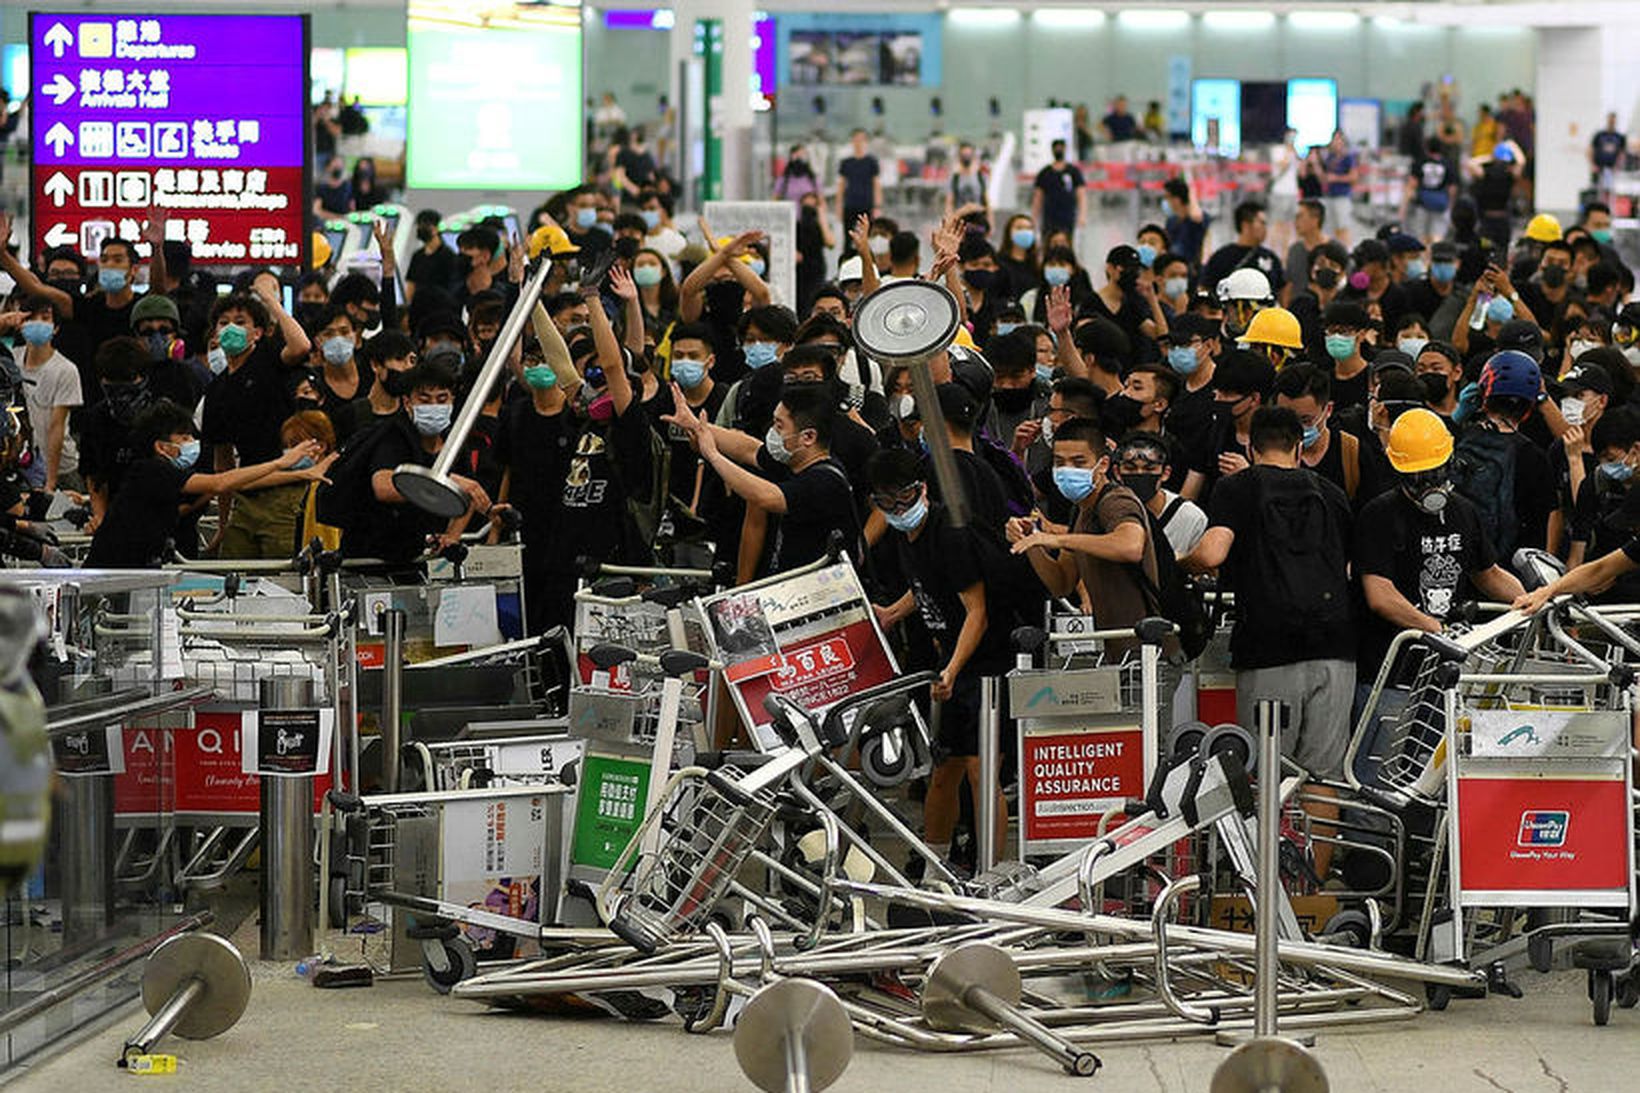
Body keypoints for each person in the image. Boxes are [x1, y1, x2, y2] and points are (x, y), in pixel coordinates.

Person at [1181, 406, 1354, 865]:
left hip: (1268, 650)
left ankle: (1270, 890)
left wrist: (1181, 563)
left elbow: (1213, 552)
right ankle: (1313, 894)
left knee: (1265, 773)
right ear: (1300, 447)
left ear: (1250, 447)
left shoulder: (1237, 488)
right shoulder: (1332, 493)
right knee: (1323, 777)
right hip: (1337, 649)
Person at [869, 448, 1027, 869]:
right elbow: (924, 586)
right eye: (885, 504)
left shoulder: (951, 534)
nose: (897, 511)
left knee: (981, 771)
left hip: (990, 664)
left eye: (903, 501)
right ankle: (935, 866)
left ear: (922, 490)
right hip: (953, 666)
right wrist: (891, 614)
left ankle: (988, 872)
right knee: (944, 771)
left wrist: (953, 670)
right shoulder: (908, 536)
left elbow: (977, 611)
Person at [1356, 407, 1524, 703]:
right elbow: (1380, 594)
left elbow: (1489, 574)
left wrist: (1530, 603)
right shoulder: (1379, 514)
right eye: (1418, 476)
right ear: (1399, 471)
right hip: (1391, 673)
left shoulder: (1463, 511)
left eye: (1436, 471)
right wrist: (1437, 630)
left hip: (1448, 674)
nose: (1430, 483)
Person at [85, 399, 322, 568]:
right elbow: (220, 483)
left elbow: (203, 497)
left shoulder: (154, 477)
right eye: (185, 438)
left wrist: (301, 474)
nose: (192, 443)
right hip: (112, 571)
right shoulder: (151, 470)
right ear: (162, 447)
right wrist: (281, 462)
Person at [1007, 416, 1167, 653]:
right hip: (1117, 648)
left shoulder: (1116, 500)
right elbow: (1062, 583)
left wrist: (1057, 538)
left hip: (1149, 650)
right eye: (1059, 462)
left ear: (1102, 465)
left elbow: (1131, 546)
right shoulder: (1080, 509)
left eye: (1079, 462)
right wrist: (1030, 542)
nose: (1067, 470)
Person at [667, 380, 860, 577]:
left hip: (824, 593)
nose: (772, 433)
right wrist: (696, 425)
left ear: (808, 437)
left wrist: (712, 455)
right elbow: (748, 449)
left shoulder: (826, 481)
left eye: (779, 426)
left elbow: (766, 496)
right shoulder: (791, 460)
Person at [3, 296, 82, 493]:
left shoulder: (65, 370)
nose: (38, 323)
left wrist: (50, 481)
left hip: (60, 468)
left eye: (45, 318)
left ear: (55, 328)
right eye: (31, 318)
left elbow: (57, 427)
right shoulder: (11, 359)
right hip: (22, 463)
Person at [1113, 431, 1206, 556]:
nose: (1140, 474)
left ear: (1165, 473)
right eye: (1130, 468)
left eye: (1149, 469)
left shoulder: (1191, 518)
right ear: (1117, 473)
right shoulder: (1106, 510)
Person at [1200, 201, 1284, 297]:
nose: (1265, 228)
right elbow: (1205, 287)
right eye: (1262, 223)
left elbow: (1281, 289)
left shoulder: (1270, 258)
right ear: (1246, 225)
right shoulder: (1222, 257)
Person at [834, 130, 882, 254]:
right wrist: (838, 206)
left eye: (861, 139)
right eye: (856, 139)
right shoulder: (846, 163)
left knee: (867, 237)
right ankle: (846, 264)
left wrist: (877, 206)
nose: (859, 143)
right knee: (848, 238)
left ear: (866, 142)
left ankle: (868, 264)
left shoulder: (871, 162)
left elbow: (876, 184)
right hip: (850, 204)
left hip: (866, 204)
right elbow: (841, 185)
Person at [1404, 136, 1457, 244]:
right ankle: (1435, 256)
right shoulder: (1448, 164)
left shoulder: (1420, 162)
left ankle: (1424, 258)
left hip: (1422, 202)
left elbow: (1411, 185)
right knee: (1437, 235)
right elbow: (1452, 189)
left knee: (1421, 235)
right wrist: (1451, 206)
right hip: (1441, 203)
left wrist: (1404, 206)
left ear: (1426, 148)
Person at [1031, 140, 1086, 240]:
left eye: (1061, 148)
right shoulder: (1045, 173)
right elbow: (1038, 197)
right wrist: (1034, 218)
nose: (1059, 150)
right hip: (1050, 217)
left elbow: (1081, 194)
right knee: (1048, 241)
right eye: (1057, 148)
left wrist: (1082, 215)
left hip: (1068, 216)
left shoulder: (1073, 171)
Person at [1282, 199, 1328, 306]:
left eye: (1300, 216)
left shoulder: (1333, 250)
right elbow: (1289, 286)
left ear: (1315, 219)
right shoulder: (1295, 250)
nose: (1296, 222)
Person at [406, 210, 456, 303]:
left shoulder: (448, 256)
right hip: (419, 305)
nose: (421, 228)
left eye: (426, 225)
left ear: (436, 228)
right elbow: (411, 284)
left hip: (439, 305)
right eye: (419, 225)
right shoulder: (417, 256)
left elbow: (452, 286)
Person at [1163, 177, 1209, 270]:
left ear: (1177, 199)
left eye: (1168, 197)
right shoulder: (1171, 221)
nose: (1166, 201)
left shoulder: (1197, 218)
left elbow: (1197, 216)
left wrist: (1191, 194)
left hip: (1192, 269)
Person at [1321, 130, 1359, 243]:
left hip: (1342, 196)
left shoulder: (1348, 157)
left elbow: (1353, 177)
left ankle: (1346, 250)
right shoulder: (1330, 157)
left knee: (1343, 227)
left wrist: (1336, 178)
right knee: (1333, 228)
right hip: (1330, 196)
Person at [946, 141, 989, 220]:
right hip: (960, 220)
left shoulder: (981, 177)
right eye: (964, 155)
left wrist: (990, 222)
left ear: (973, 156)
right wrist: (949, 220)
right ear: (959, 156)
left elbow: (987, 202)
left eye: (969, 155)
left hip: (978, 220)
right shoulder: (954, 178)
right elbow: (949, 203)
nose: (966, 157)